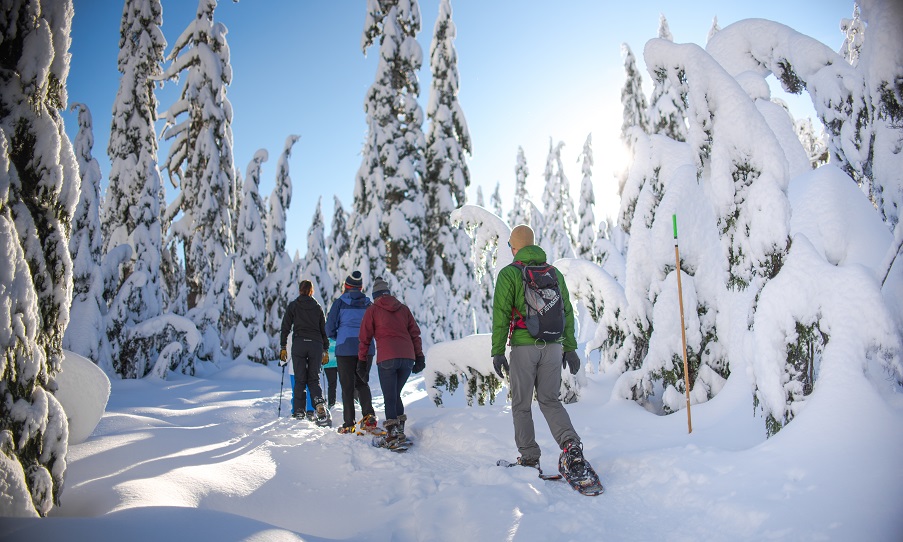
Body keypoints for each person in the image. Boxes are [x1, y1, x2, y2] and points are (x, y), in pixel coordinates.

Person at [490, 224, 588, 474]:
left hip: (525, 346)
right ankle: (571, 447)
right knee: (550, 401)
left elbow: (501, 315)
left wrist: (498, 351)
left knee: (521, 405)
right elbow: (567, 311)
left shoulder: (509, 274)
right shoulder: (553, 272)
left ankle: (530, 458)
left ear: (514, 247)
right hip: (553, 347)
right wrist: (570, 348)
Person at [358, 276, 425, 447]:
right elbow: (415, 334)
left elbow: (364, 338)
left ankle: (392, 435)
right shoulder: (403, 309)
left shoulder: (373, 310)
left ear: (375, 296)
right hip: (407, 358)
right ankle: (399, 432)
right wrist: (419, 357)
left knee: (390, 396)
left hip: (387, 358)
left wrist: (361, 361)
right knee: (395, 395)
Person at [325, 271, 378, 434]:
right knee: (362, 383)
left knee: (347, 386)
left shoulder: (339, 303)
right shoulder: (369, 304)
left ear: (346, 286)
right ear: (360, 288)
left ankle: (349, 423)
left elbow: (329, 328)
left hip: (345, 349)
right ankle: (368, 416)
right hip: (366, 348)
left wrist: (340, 336)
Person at [280, 280, 329, 422]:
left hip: (299, 344)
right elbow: (323, 330)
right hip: (315, 345)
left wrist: (283, 347)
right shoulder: (317, 307)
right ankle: (319, 404)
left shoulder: (293, 306)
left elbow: (285, 327)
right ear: (311, 291)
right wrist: (325, 349)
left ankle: (299, 411)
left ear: (300, 290)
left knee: (300, 378)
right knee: (314, 378)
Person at [323, 338, 338, 409]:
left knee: (331, 384)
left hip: (328, 363)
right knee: (346, 383)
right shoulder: (337, 333)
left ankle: (331, 403)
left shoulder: (324, 335)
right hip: (340, 361)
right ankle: (350, 401)